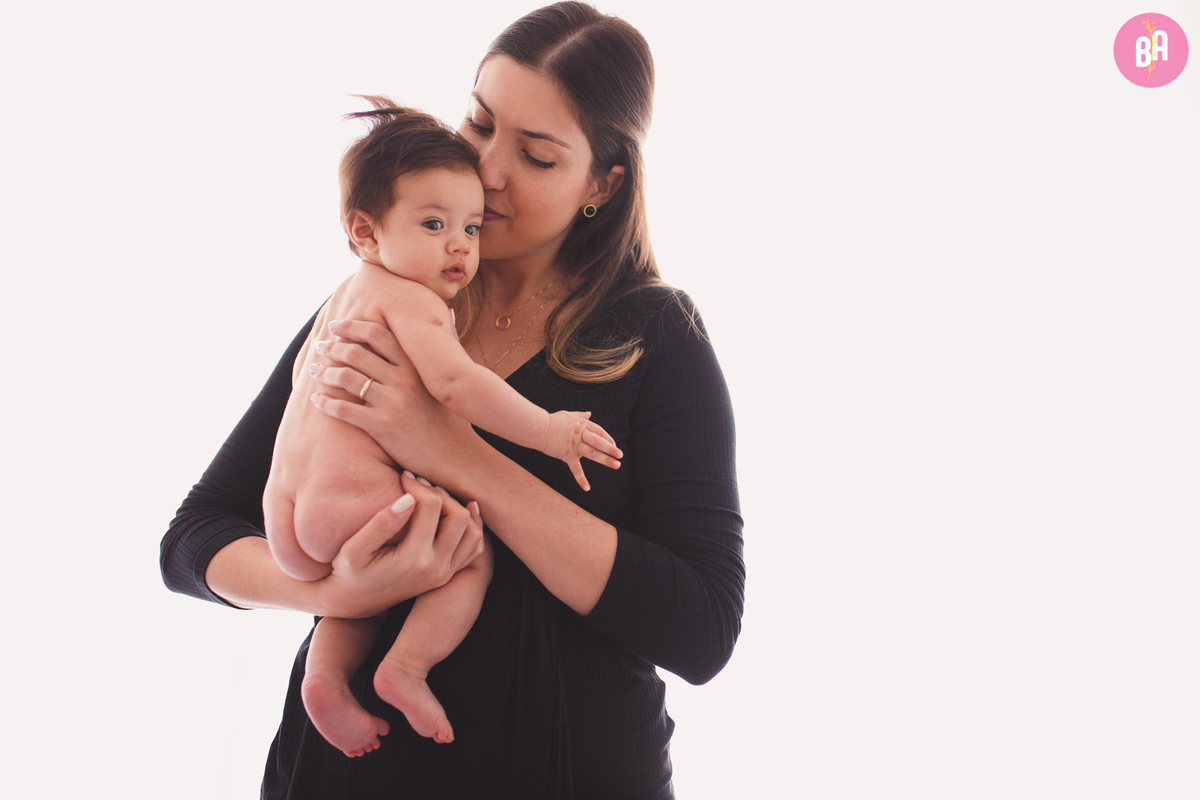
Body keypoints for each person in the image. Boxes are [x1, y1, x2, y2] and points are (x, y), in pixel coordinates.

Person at [160, 3, 744, 798]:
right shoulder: (381, 302)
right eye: (479, 123)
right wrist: (335, 593)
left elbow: (701, 629)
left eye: (536, 157)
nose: (490, 171)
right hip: (343, 772)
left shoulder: (656, 334)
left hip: (564, 771)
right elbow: (195, 540)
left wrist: (447, 449)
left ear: (601, 185)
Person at [266, 101, 621, 757]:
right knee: (466, 556)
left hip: (285, 518)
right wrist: (550, 431)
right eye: (434, 225)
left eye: (471, 227)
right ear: (367, 233)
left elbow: (298, 394)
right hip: (352, 504)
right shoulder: (412, 301)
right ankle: (405, 668)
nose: (461, 245)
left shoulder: (345, 298)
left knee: (360, 598)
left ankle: (324, 677)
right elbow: (458, 384)